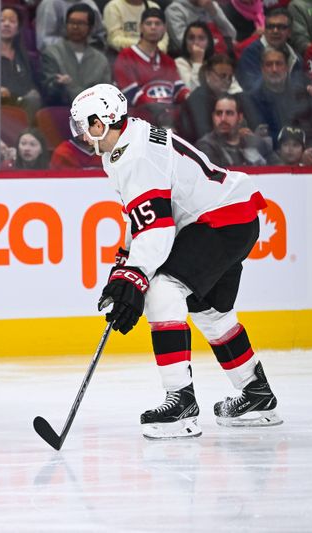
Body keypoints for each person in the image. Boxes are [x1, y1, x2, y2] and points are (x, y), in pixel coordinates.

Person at [69, 83, 281, 439]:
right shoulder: (126, 142)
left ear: (104, 120)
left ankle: (180, 401)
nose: (80, 134)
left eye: (84, 125)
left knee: (162, 290)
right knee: (211, 311)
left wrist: (134, 276)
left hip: (219, 220)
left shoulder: (135, 154)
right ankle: (256, 393)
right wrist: (125, 264)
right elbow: (141, 215)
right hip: (231, 216)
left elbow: (158, 232)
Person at [242, 46, 312, 164]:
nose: (274, 69)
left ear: (287, 68)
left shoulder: (302, 94)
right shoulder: (251, 100)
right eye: (269, 65)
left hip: (307, 164)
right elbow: (258, 140)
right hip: (269, 166)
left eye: (279, 64)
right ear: (262, 69)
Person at [114, 7, 189, 128]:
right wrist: (161, 109)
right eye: (149, 23)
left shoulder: (168, 61)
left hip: (170, 118)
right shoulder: (126, 56)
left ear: (164, 29)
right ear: (141, 28)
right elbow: (132, 95)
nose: (153, 27)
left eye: (158, 24)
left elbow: (179, 90)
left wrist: (190, 97)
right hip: (142, 120)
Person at [41, 3, 112, 106]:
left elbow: (104, 97)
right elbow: (49, 91)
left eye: (81, 23)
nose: (75, 27)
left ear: (91, 28)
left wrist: (70, 86)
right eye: (71, 22)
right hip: (61, 112)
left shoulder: (101, 60)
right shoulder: (52, 53)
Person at [196, 94, 279, 167]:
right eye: (218, 113)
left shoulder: (256, 142)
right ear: (213, 117)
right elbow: (218, 179)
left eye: (229, 113)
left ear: (240, 117)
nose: (223, 119)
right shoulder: (205, 146)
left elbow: (281, 170)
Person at [237, 7, 306, 92]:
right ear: (265, 30)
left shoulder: (296, 58)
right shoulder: (251, 53)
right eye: (270, 27)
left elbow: (299, 88)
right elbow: (251, 88)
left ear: (290, 32)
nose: (275, 31)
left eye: (281, 27)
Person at [178, 54, 242, 143]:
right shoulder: (197, 99)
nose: (227, 81)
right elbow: (204, 135)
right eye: (222, 76)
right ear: (208, 74)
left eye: (230, 77)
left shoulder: (228, 98)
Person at [165, 0, 236, 56]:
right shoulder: (175, 10)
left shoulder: (211, 5)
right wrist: (216, 43)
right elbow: (182, 43)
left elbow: (231, 34)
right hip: (188, 57)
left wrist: (214, 13)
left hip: (218, 55)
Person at [36, 0, 107, 52]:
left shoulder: (89, 3)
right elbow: (43, 42)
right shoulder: (49, 4)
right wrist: (72, 45)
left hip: (88, 54)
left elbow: (100, 34)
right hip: (58, 57)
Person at [103, 0, 170, 54]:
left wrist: (157, 48)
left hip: (154, 53)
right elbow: (115, 40)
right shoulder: (114, 6)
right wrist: (145, 47)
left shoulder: (153, 6)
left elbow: (163, 36)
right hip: (122, 55)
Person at [175, 21, 215, 92]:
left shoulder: (216, 62)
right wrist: (197, 62)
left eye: (201, 38)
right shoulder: (179, 63)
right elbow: (193, 91)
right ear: (185, 42)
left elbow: (234, 89)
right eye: (191, 38)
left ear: (208, 43)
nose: (196, 42)